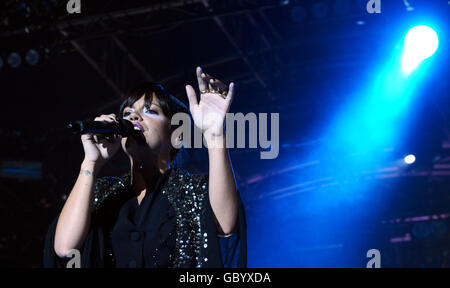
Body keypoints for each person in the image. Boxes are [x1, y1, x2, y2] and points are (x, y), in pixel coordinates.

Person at [43, 67, 246, 268]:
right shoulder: (103, 193)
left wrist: (215, 134)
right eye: (128, 112)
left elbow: (225, 225)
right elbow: (64, 248)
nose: (134, 117)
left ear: (177, 133)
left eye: (150, 110)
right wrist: (91, 162)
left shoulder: (194, 190)